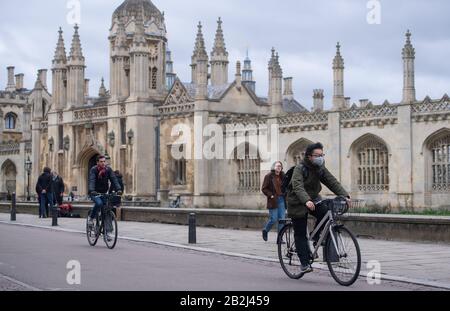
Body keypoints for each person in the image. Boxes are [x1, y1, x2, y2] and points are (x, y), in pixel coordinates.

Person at [286, 142, 351, 274]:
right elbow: (298, 186)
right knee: (300, 234)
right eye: (317, 155)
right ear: (309, 156)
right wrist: (306, 200)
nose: (321, 158)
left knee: (326, 212)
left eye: (322, 155)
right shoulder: (300, 168)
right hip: (297, 201)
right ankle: (304, 263)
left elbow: (331, 181)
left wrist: (345, 195)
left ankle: (315, 237)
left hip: (313, 199)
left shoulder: (320, 167)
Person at [87, 155, 122, 230]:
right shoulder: (94, 170)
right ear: (97, 163)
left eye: (104, 161)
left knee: (107, 209)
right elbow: (92, 180)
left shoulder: (108, 169)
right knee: (99, 203)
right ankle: (91, 218)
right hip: (94, 192)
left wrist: (118, 189)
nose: (103, 163)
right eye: (101, 162)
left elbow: (114, 179)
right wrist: (92, 190)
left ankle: (108, 231)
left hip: (104, 192)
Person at [261, 161, 286, 242]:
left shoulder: (283, 176)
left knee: (282, 219)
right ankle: (265, 230)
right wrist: (271, 195)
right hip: (273, 200)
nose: (279, 167)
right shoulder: (269, 176)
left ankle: (279, 238)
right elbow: (264, 189)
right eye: (277, 166)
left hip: (282, 199)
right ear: (273, 167)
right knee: (273, 219)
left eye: (280, 166)